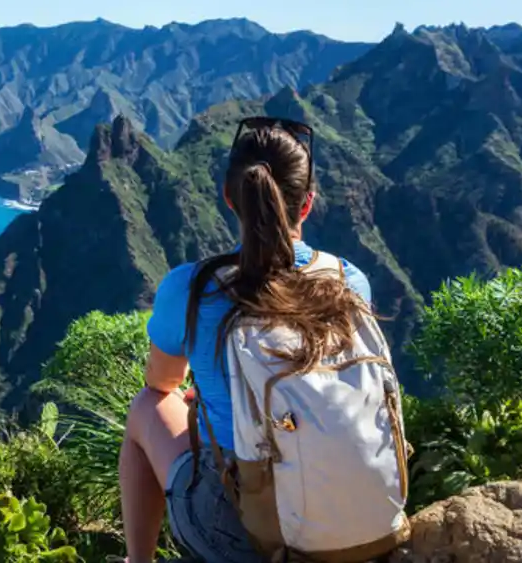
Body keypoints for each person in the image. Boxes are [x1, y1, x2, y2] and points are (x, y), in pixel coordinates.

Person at [119, 116, 407, 563]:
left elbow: (161, 383)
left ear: (230, 199)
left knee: (145, 407)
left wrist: (214, 400)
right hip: (360, 520)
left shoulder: (191, 289)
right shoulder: (349, 281)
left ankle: (137, 560)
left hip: (247, 531)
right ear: (307, 204)